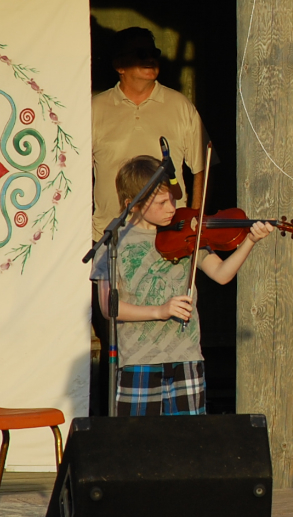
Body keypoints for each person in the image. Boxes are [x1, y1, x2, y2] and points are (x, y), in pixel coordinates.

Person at [90, 156, 273, 416]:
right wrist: (160, 311)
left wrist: (250, 241)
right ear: (134, 205)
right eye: (162, 202)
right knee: (137, 445)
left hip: (186, 357)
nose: (172, 208)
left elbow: (221, 274)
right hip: (138, 361)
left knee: (189, 443)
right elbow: (110, 307)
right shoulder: (113, 245)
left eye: (173, 199)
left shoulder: (187, 233)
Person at [90, 27, 206, 416]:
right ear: (118, 65)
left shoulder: (179, 105)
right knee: (116, 334)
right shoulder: (93, 108)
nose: (150, 59)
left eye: (153, 52)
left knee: (176, 331)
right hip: (115, 240)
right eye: (139, 54)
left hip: (171, 239)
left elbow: (201, 167)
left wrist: (195, 220)